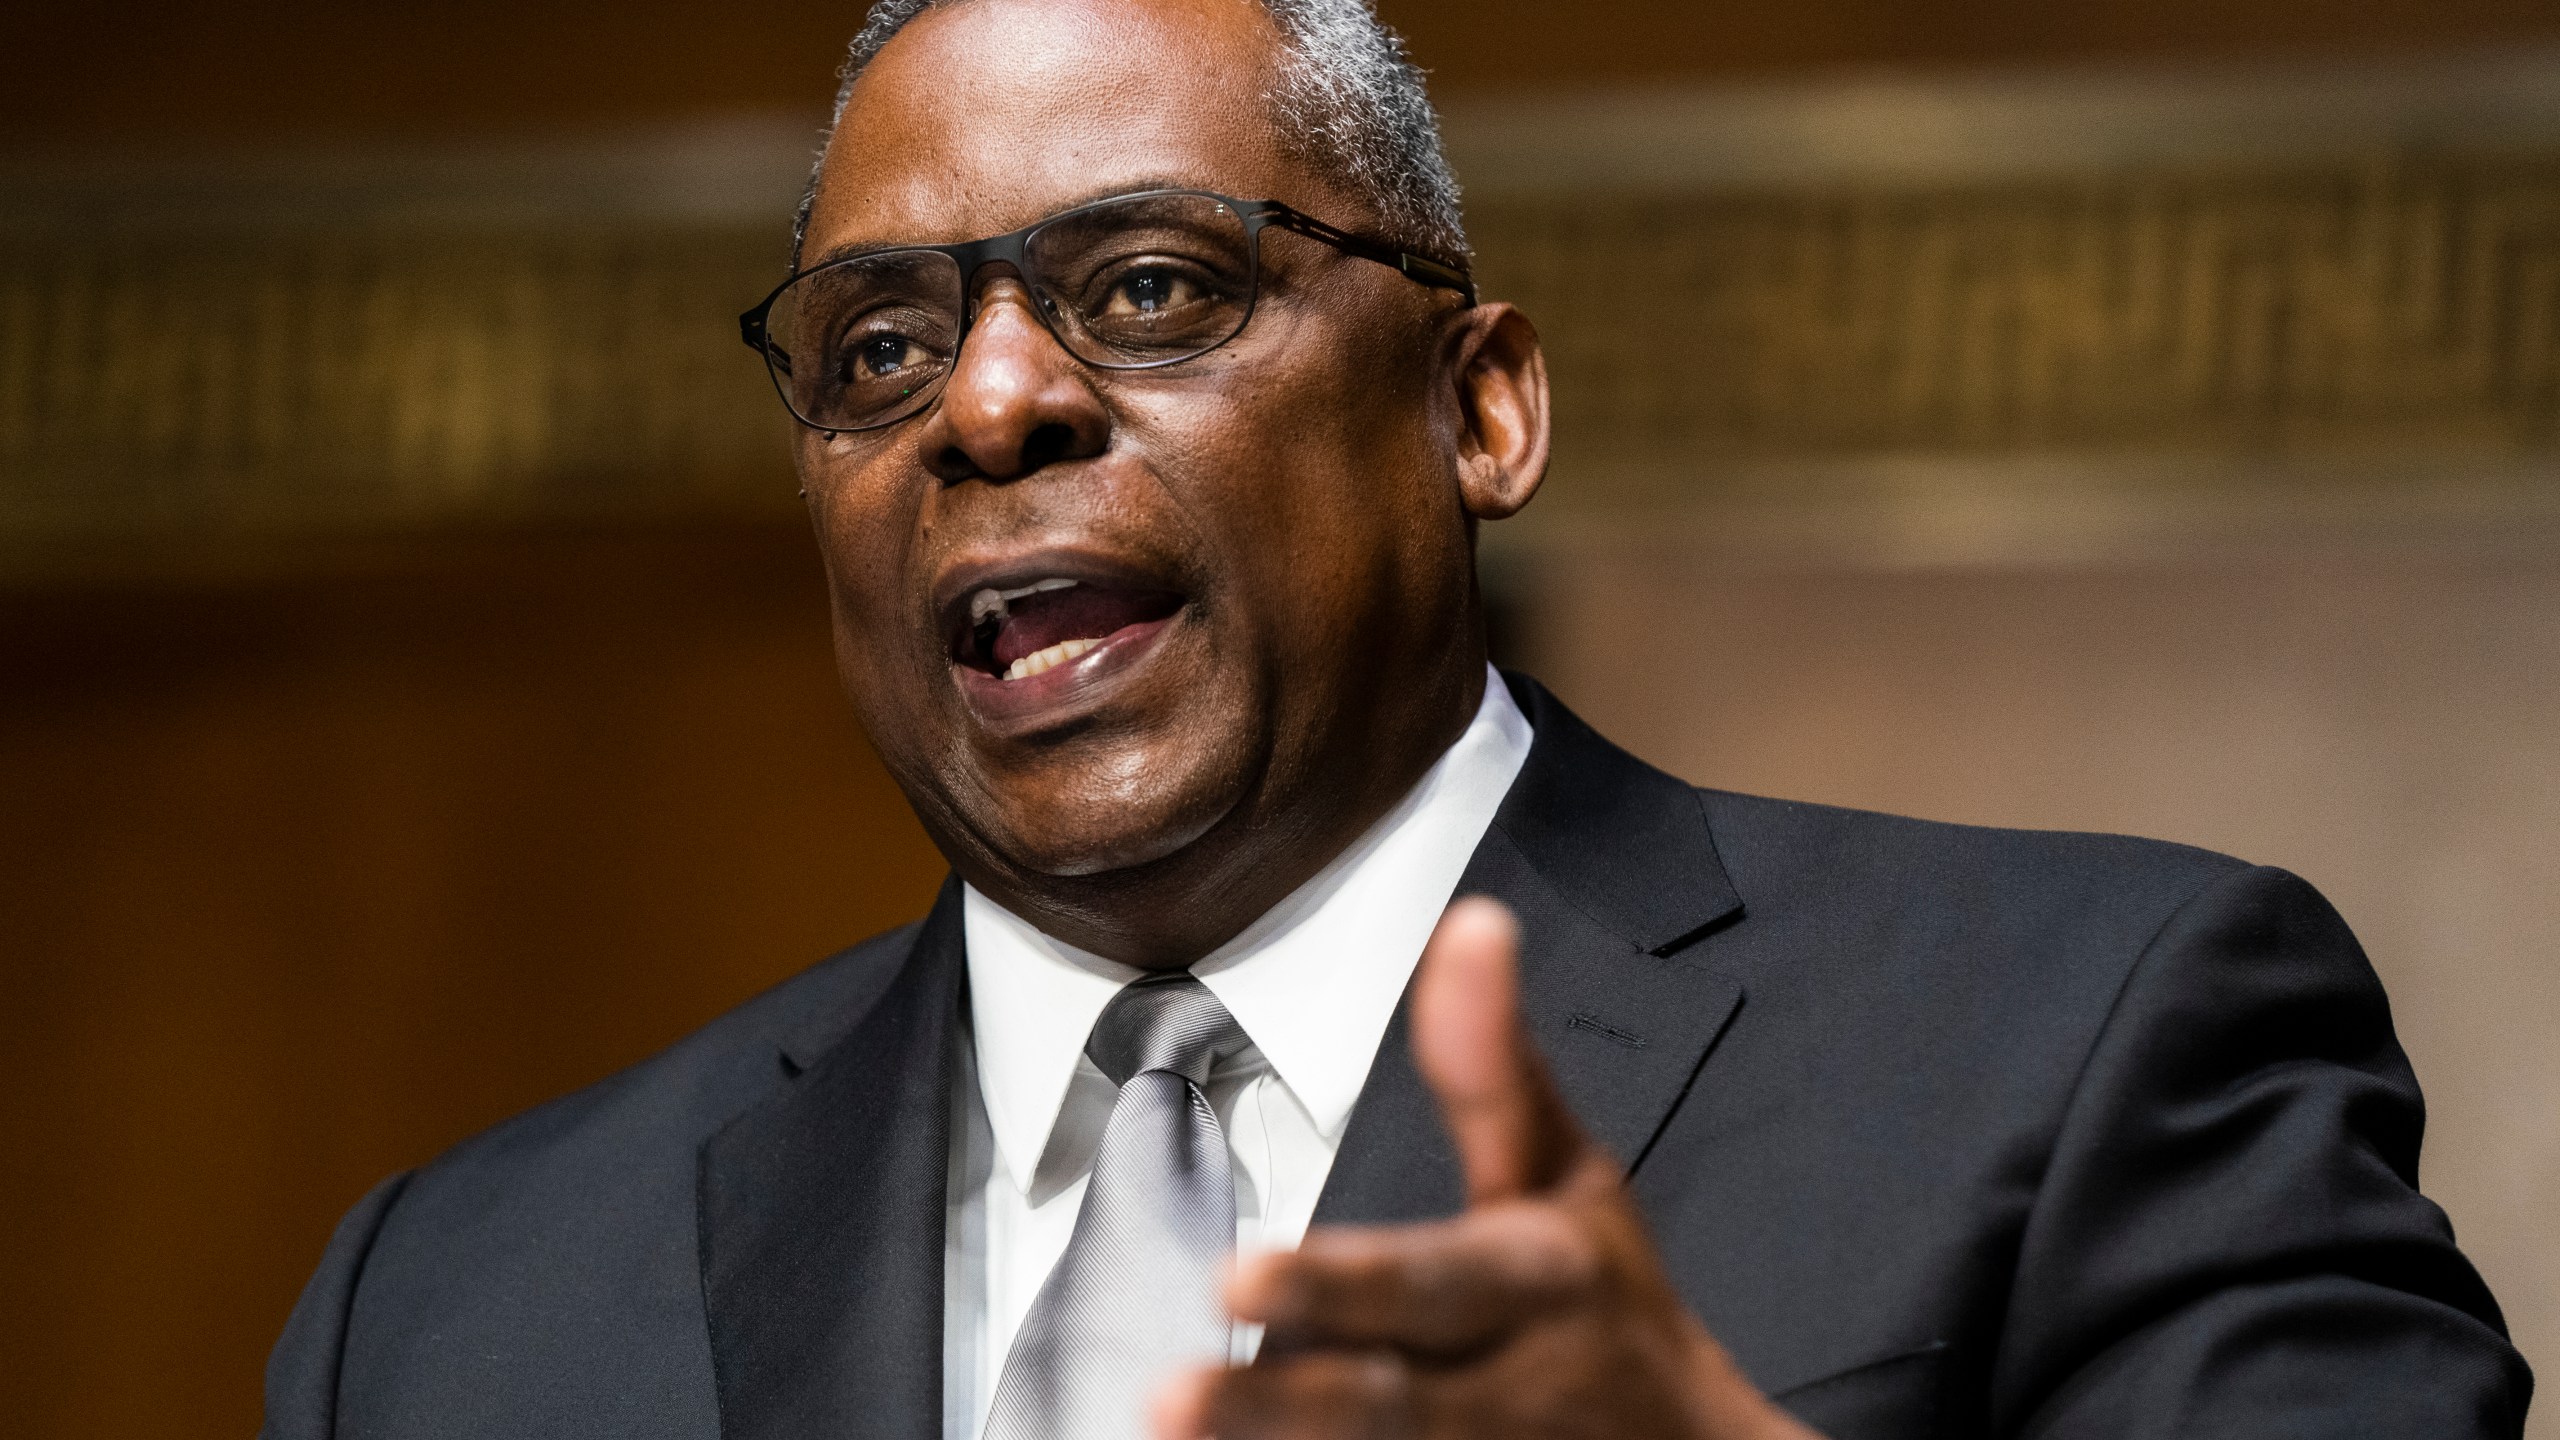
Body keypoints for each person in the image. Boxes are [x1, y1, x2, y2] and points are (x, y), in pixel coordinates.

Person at [262, 0, 2534, 1436]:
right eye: (872, 348)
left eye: (1147, 285)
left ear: (1479, 408)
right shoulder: (452, 1307)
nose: (985, 398)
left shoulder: (2092, 1036)